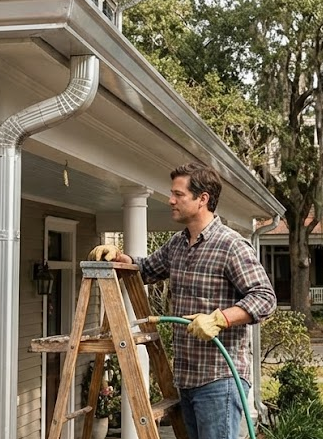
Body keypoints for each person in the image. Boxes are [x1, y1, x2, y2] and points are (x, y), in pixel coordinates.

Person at [88, 162, 276, 439]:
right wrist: (118, 257)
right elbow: (146, 268)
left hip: (220, 379)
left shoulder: (231, 245)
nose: (170, 200)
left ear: (203, 199)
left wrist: (220, 318)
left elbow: (265, 298)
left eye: (179, 194)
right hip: (186, 379)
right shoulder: (178, 244)